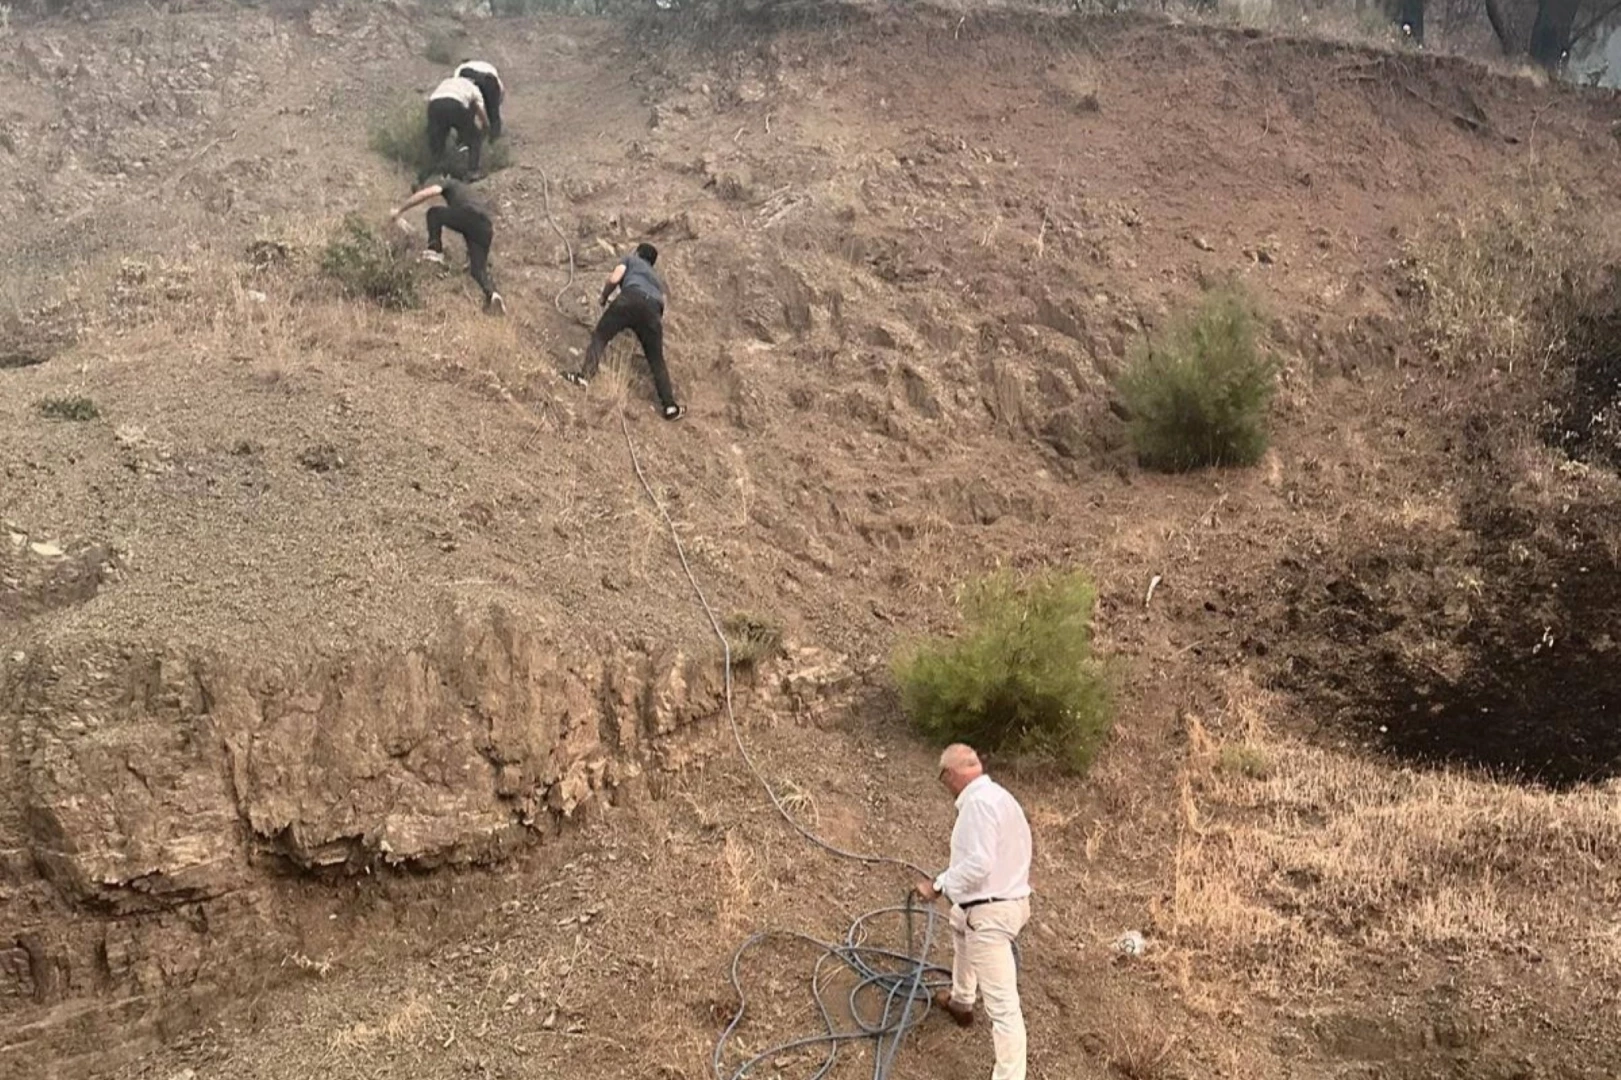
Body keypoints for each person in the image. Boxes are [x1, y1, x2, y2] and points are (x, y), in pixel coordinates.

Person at [914, 744, 1033, 1080]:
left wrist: (938, 885)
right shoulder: (1001, 798)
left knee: (1004, 1008)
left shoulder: (977, 805)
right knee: (958, 922)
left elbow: (979, 863)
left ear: (950, 774)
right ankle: (962, 1001)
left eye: (943, 778)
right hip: (1004, 902)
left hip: (991, 913)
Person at [563, 243, 683, 420]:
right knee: (656, 359)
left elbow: (614, 278)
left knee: (601, 336)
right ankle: (670, 406)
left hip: (630, 299)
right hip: (653, 310)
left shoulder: (630, 260)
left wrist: (604, 297)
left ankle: (585, 377)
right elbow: (661, 305)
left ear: (637, 252)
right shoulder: (656, 280)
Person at [389, 176, 505, 315]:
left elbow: (427, 193)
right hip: (485, 227)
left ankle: (435, 252)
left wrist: (400, 210)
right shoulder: (466, 190)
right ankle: (493, 295)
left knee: (434, 213)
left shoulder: (445, 181)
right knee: (477, 270)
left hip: (470, 215)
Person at [425, 75, 488, 179]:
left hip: (434, 105)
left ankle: (438, 173)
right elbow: (479, 108)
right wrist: (485, 125)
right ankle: (473, 171)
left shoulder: (447, 81)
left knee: (438, 142)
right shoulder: (473, 87)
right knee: (475, 138)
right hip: (455, 104)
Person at [455, 59, 505, 140]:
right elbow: (500, 92)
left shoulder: (460, 68)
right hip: (491, 81)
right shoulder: (488, 66)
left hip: (470, 78)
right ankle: (494, 139)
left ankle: (465, 139)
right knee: (494, 114)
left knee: (467, 114)